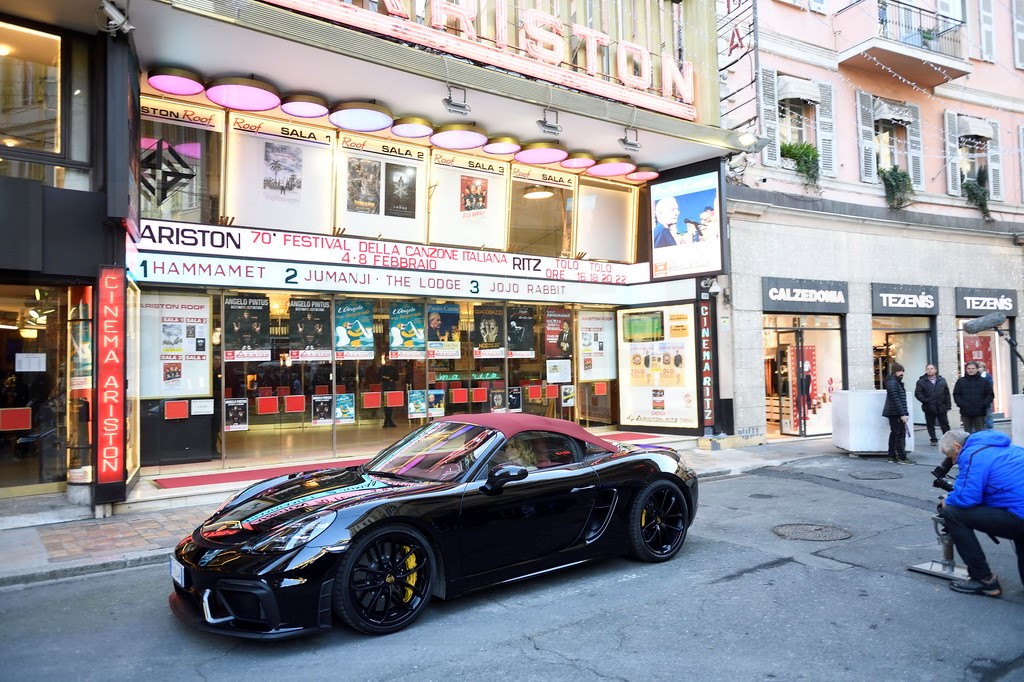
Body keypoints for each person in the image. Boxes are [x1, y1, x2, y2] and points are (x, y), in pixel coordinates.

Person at [938, 429, 1024, 597]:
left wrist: (948, 500)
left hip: (1019, 515)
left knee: (953, 512)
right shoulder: (1010, 447)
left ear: (957, 446)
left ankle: (984, 580)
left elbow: (967, 498)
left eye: (951, 456)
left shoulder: (972, 454)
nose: (953, 462)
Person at [882, 362, 912, 464]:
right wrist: (902, 414)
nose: (901, 373)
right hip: (895, 412)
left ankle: (892, 456)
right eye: (899, 371)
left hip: (895, 412)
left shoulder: (894, 381)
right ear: (894, 372)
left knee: (895, 434)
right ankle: (902, 457)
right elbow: (895, 399)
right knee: (899, 435)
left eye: (903, 371)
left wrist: (904, 413)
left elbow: (898, 399)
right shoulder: (893, 382)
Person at [914, 364, 951, 445]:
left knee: (945, 424)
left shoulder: (942, 380)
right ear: (925, 370)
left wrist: (948, 406)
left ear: (935, 370)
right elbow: (918, 393)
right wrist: (926, 401)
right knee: (930, 424)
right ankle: (933, 439)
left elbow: (947, 394)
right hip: (929, 407)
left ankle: (947, 440)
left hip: (941, 406)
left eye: (931, 369)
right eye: (928, 369)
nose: (930, 370)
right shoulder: (921, 381)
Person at [953, 361, 993, 433]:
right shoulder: (960, 381)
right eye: (969, 368)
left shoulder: (984, 381)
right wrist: (961, 404)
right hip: (965, 412)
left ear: (977, 369)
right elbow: (956, 394)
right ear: (966, 369)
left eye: (973, 368)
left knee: (980, 433)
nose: (971, 370)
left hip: (979, 412)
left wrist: (983, 404)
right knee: (967, 434)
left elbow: (990, 395)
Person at [380, 359, 399, 428]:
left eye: (389, 359)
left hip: (392, 387)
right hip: (385, 387)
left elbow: (396, 377)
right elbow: (380, 377)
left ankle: (387, 420)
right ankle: (389, 421)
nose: (388, 361)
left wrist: (386, 377)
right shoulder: (382, 368)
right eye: (387, 359)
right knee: (386, 404)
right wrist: (389, 378)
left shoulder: (394, 368)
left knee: (391, 404)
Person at [977, 361, 995, 429]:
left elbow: (990, 387)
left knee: (988, 415)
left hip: (986, 399)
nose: (979, 369)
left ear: (984, 368)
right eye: (978, 367)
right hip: (979, 399)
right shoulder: (976, 376)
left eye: (980, 367)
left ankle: (989, 428)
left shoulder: (987, 376)